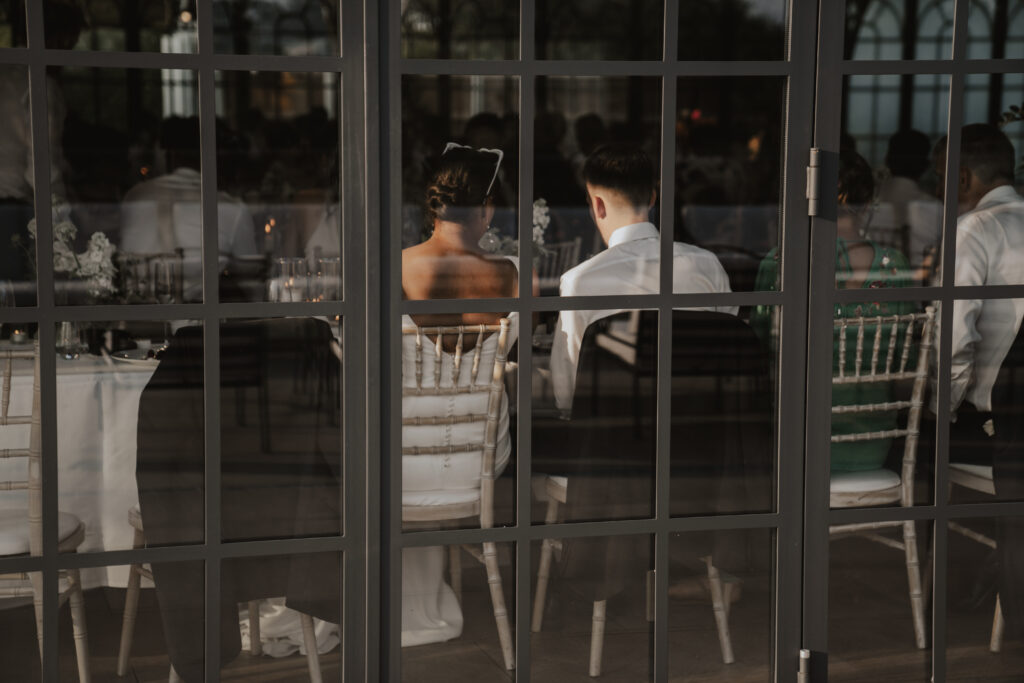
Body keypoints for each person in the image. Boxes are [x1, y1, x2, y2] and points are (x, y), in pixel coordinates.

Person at [400, 144, 521, 646]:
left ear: (433, 206)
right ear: (487, 209)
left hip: (400, 466)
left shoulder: (394, 267)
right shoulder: (510, 273)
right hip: (479, 463)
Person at [754, 149, 914, 472]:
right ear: (868, 204)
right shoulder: (894, 267)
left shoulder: (779, 262)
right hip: (873, 438)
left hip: (795, 438)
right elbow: (905, 364)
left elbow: (760, 347)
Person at [548, 143, 735, 414]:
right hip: (700, 423)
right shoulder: (707, 265)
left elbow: (564, 392)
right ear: (652, 198)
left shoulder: (580, 281)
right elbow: (731, 361)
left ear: (597, 205)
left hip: (615, 433)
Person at [120, 117, 258, 301]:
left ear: (167, 153)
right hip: (197, 324)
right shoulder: (231, 208)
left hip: (136, 318)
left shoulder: (135, 196)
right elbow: (251, 280)